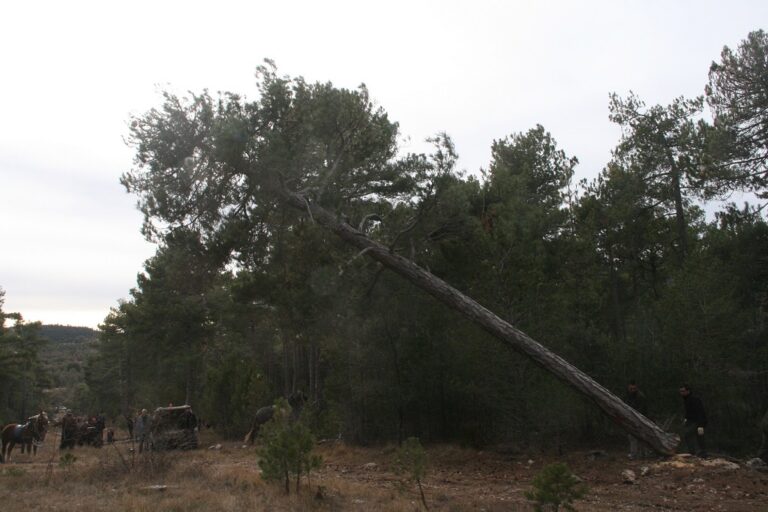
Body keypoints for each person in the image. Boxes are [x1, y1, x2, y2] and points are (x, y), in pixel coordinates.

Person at [680, 384, 708, 457]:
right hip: (691, 421)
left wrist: (701, 425)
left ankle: (698, 452)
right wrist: (686, 418)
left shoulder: (694, 399)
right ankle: (696, 452)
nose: (682, 393)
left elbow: (700, 412)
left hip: (697, 421)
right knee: (692, 435)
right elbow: (689, 412)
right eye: (681, 391)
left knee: (690, 434)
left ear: (688, 391)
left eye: (683, 391)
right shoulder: (686, 400)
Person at [626, 380, 648, 459]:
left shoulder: (640, 397)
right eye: (631, 389)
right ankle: (634, 454)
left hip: (640, 420)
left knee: (642, 437)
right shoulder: (628, 396)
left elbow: (642, 410)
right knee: (632, 437)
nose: (632, 390)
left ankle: (643, 454)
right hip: (632, 419)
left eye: (634, 389)